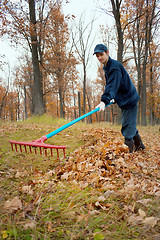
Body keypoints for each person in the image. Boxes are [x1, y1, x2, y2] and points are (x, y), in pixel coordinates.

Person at [94, 43, 145, 153]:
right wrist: (114, 98)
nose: (99, 58)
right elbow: (116, 85)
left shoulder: (114, 67)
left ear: (107, 52)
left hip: (129, 99)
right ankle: (140, 146)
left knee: (127, 127)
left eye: (101, 54)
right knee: (129, 124)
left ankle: (128, 154)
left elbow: (112, 85)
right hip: (124, 99)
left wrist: (105, 100)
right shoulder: (107, 66)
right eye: (97, 56)